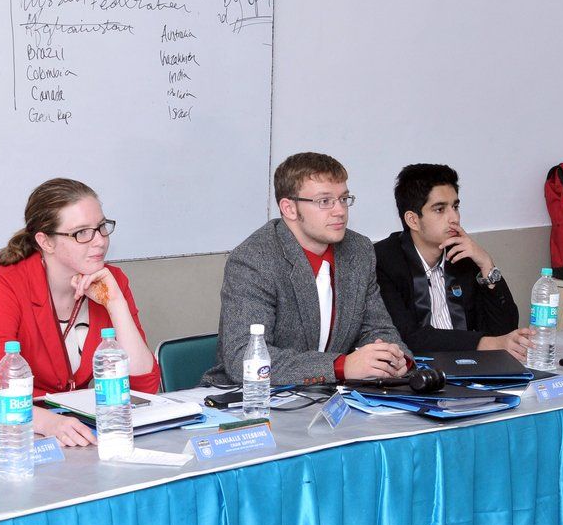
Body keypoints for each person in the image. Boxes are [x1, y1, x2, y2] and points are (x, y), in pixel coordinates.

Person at [0, 178, 159, 446]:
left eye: (101, 227)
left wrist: (115, 302)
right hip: (0, 427)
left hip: (68, 426)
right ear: (46, 242)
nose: (99, 241)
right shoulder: (7, 285)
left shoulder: (111, 280)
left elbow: (144, 386)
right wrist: (49, 423)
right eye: (81, 233)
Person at [202, 152, 411, 387]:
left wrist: (395, 359)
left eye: (343, 199)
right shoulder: (254, 260)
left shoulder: (359, 250)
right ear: (289, 208)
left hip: (329, 395)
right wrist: (340, 366)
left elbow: (378, 329)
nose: (340, 211)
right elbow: (244, 358)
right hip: (252, 395)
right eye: (325, 201)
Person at [374, 164, 533, 360]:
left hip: (470, 365)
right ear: (413, 220)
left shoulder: (463, 256)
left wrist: (486, 264)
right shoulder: (384, 261)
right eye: (440, 209)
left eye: (455, 207)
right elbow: (407, 337)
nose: (454, 218)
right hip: (418, 371)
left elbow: (504, 331)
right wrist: (485, 343)